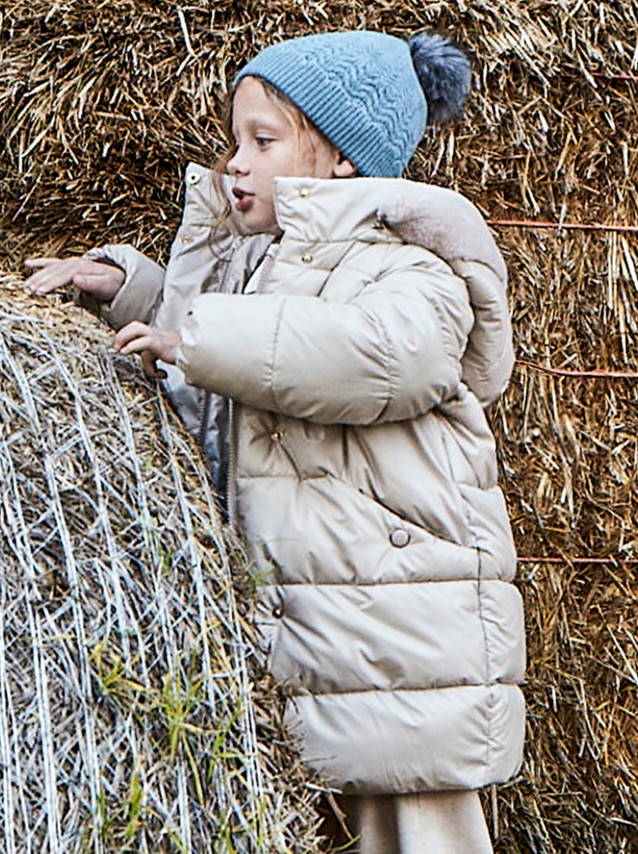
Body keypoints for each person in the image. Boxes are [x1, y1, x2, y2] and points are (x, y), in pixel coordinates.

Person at [25, 29, 525, 852]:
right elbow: (237, 377)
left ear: (339, 159)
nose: (236, 161)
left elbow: (355, 355)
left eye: (263, 140)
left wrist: (196, 338)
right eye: (234, 140)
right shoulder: (260, 268)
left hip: (402, 656)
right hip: (317, 645)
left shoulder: (411, 274)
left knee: (414, 832)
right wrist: (134, 293)